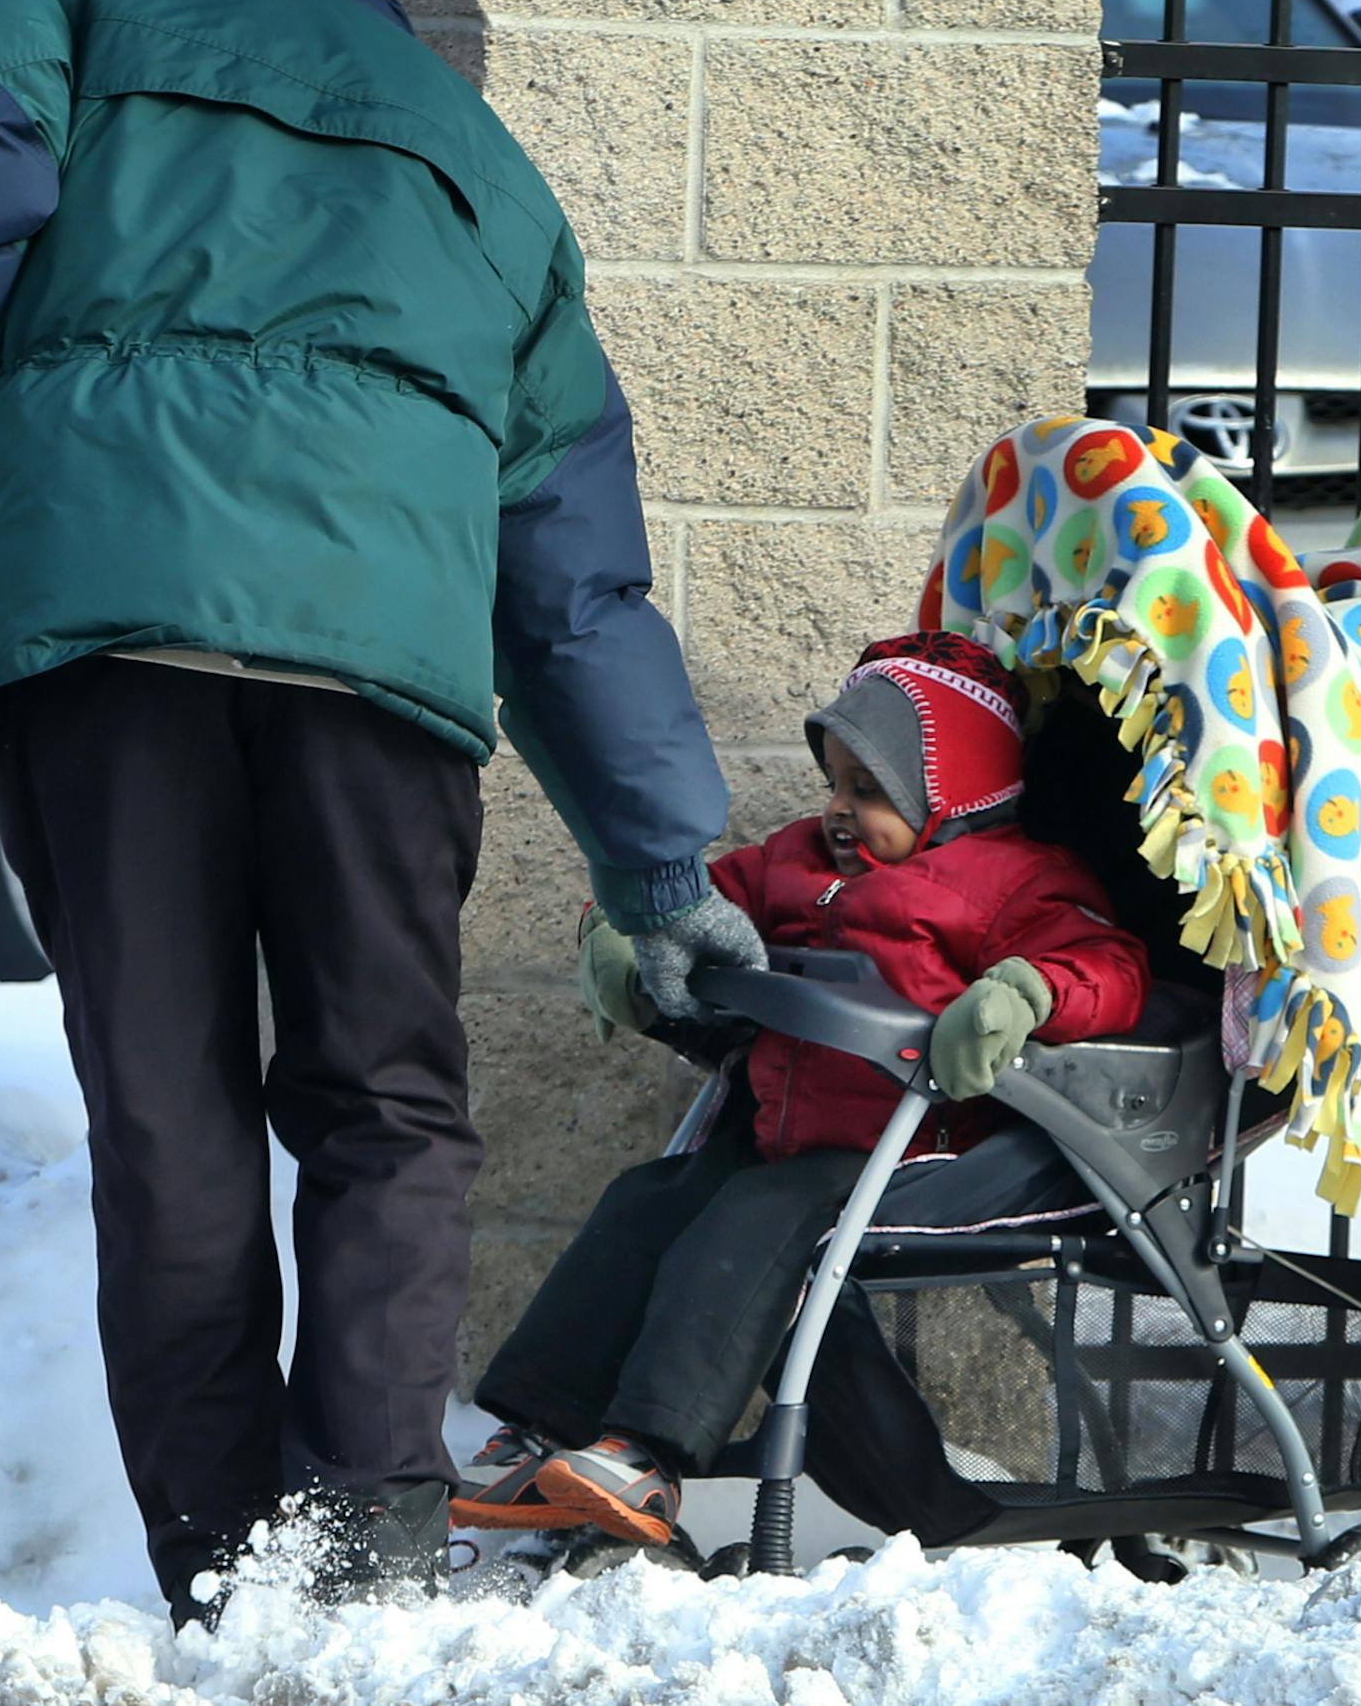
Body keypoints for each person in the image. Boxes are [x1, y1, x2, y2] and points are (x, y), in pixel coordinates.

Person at [0, 0, 764, 1620]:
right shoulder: (481, 160)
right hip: (380, 663)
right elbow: (575, 586)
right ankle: (364, 1527)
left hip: (105, 621)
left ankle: (227, 1566)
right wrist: (663, 871)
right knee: (386, 1097)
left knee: (171, 1117)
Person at [449, 632, 1152, 1545]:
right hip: (775, 1125)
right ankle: (538, 1426)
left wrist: (1026, 992)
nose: (841, 810)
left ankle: (648, 1452)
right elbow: (690, 897)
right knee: (645, 1202)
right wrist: (621, 936)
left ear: (955, 788)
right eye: (836, 781)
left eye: (872, 790)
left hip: (915, 1148)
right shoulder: (794, 861)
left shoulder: (1012, 880)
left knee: (754, 1223)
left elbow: (1111, 964)